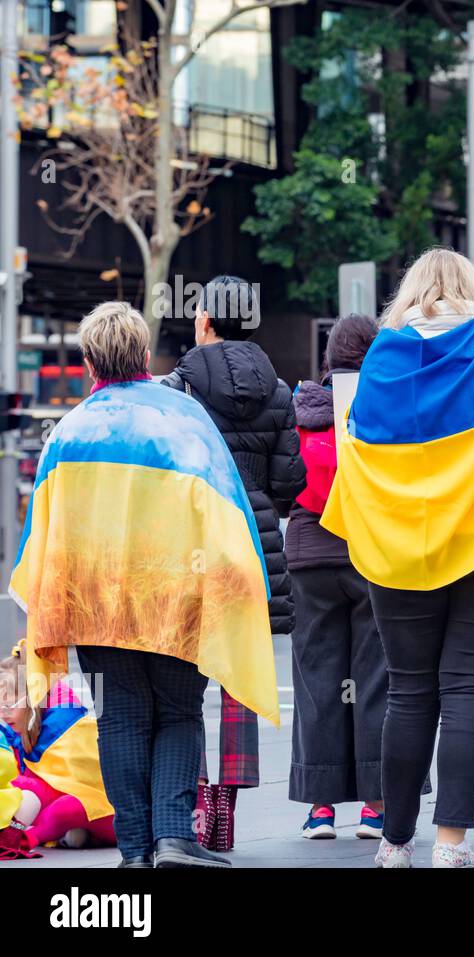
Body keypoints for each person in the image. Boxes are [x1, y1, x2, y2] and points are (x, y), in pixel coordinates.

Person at [321, 249, 474, 868]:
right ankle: (452, 844)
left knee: (409, 692)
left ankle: (394, 842)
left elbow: (356, 447)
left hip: (399, 548)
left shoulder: (381, 358)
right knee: (468, 686)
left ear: (408, 293)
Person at [9, 301, 279, 868]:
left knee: (120, 717)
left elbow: (45, 533)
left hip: (97, 601)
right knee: (179, 712)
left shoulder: (71, 431)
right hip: (178, 595)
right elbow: (225, 507)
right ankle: (175, 838)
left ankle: (134, 852)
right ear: (144, 355)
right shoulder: (184, 419)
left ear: (88, 362)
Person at [161, 275, 305, 852]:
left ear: (204, 322)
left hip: (194, 546)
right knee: (239, 681)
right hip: (252, 545)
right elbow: (289, 485)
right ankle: (225, 816)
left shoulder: (179, 388)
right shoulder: (278, 390)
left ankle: (193, 806)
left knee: (186, 680)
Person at [285, 314, 390, 840]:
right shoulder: (385, 404)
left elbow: (284, 478)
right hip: (370, 553)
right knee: (375, 681)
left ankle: (320, 810)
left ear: (328, 360)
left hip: (309, 557)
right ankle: (375, 808)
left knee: (317, 683)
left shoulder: (301, 407)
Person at [0, 650, 115, 851]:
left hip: (101, 808)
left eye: (10, 705)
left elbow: (82, 790)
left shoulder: (68, 727)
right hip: (57, 809)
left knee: (65, 809)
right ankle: (62, 834)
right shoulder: (15, 730)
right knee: (23, 792)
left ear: (34, 700)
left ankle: (22, 836)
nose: (4, 713)